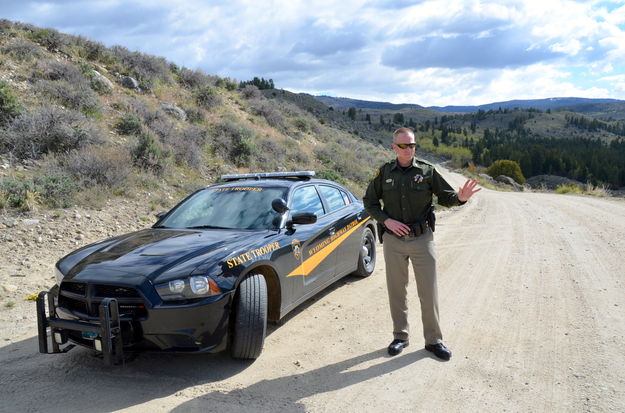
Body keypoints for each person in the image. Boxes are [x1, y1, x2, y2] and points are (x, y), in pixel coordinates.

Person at [363, 127, 480, 360]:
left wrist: (460, 198)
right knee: (397, 291)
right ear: (394, 147)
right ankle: (400, 336)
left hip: (422, 239)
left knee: (428, 291)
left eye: (413, 145)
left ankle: (434, 340)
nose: (409, 149)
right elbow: (370, 202)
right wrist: (387, 221)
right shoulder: (384, 173)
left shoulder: (427, 171)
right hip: (394, 241)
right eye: (404, 145)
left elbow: (447, 197)